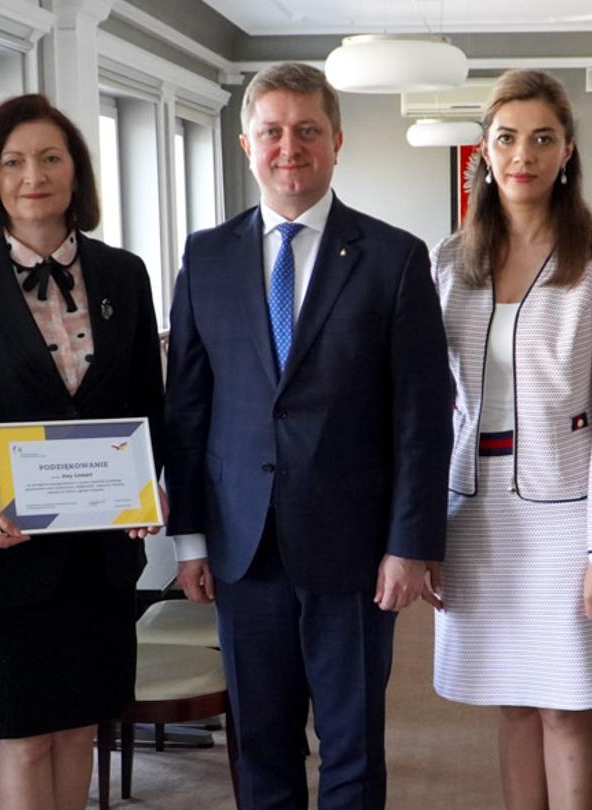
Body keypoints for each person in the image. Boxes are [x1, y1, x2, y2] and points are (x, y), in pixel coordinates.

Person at [164, 61, 454, 809]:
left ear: (337, 141)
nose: (288, 146)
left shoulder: (393, 257)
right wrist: (190, 539)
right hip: (241, 545)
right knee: (261, 745)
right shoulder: (206, 256)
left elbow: (423, 412)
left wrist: (410, 543)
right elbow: (188, 408)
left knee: (353, 746)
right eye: (272, 131)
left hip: (356, 551)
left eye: (307, 130)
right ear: (245, 143)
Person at [0, 93, 163, 810]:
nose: (34, 175)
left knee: (81, 726)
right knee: (21, 733)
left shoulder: (125, 275)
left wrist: (151, 485)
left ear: (76, 174)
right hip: (5, 555)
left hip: (102, 554)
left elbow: (150, 408)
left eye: (52, 158)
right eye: (13, 161)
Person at [429, 68, 592, 810]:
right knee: (512, 699)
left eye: (542, 138)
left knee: (565, 699)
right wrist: (423, 530)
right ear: (483, 156)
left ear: (567, 152)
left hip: (568, 510)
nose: (522, 154)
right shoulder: (449, 263)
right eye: (506, 138)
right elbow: (431, 406)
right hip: (475, 510)